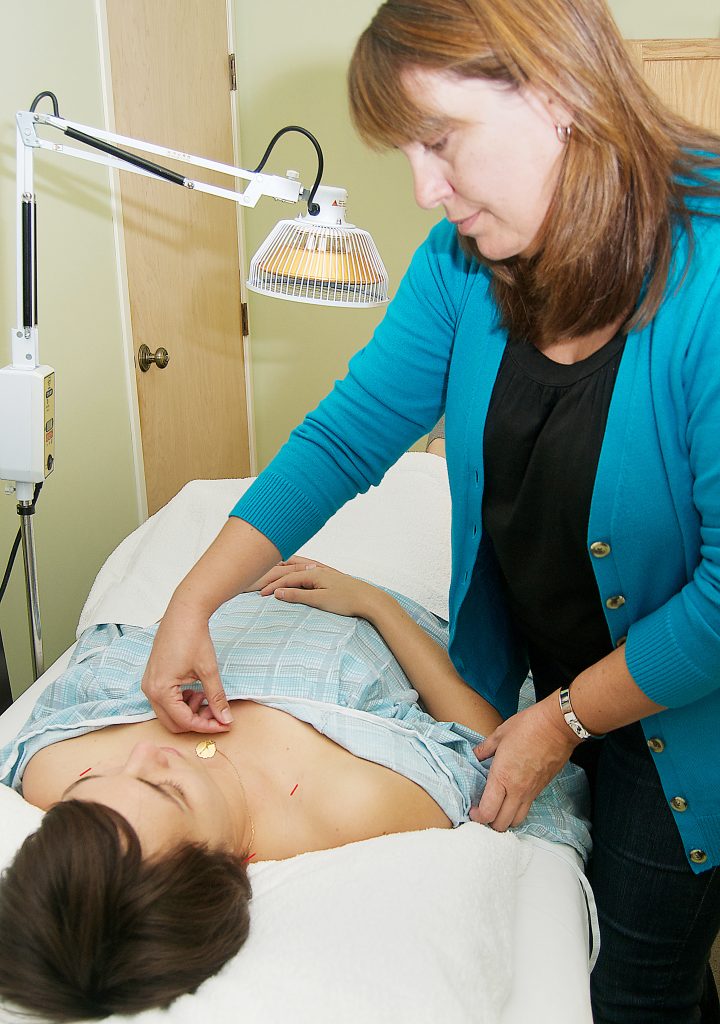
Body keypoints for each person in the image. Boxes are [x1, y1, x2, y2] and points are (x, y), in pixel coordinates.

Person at [139, 1, 720, 1020]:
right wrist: (194, 600)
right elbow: (346, 435)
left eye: (440, 140)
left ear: (559, 93)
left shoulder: (707, 277)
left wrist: (570, 717)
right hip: (556, 668)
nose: (422, 187)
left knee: (639, 985)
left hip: (693, 710)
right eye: (407, 150)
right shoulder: (464, 264)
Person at [0, 563, 590, 1021]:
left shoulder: (51, 770)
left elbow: (112, 647)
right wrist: (373, 604)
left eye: (96, 779)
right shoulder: (356, 805)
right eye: (168, 788)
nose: (144, 754)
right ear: (228, 868)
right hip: (371, 593)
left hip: (224, 582)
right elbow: (492, 742)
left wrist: (197, 601)